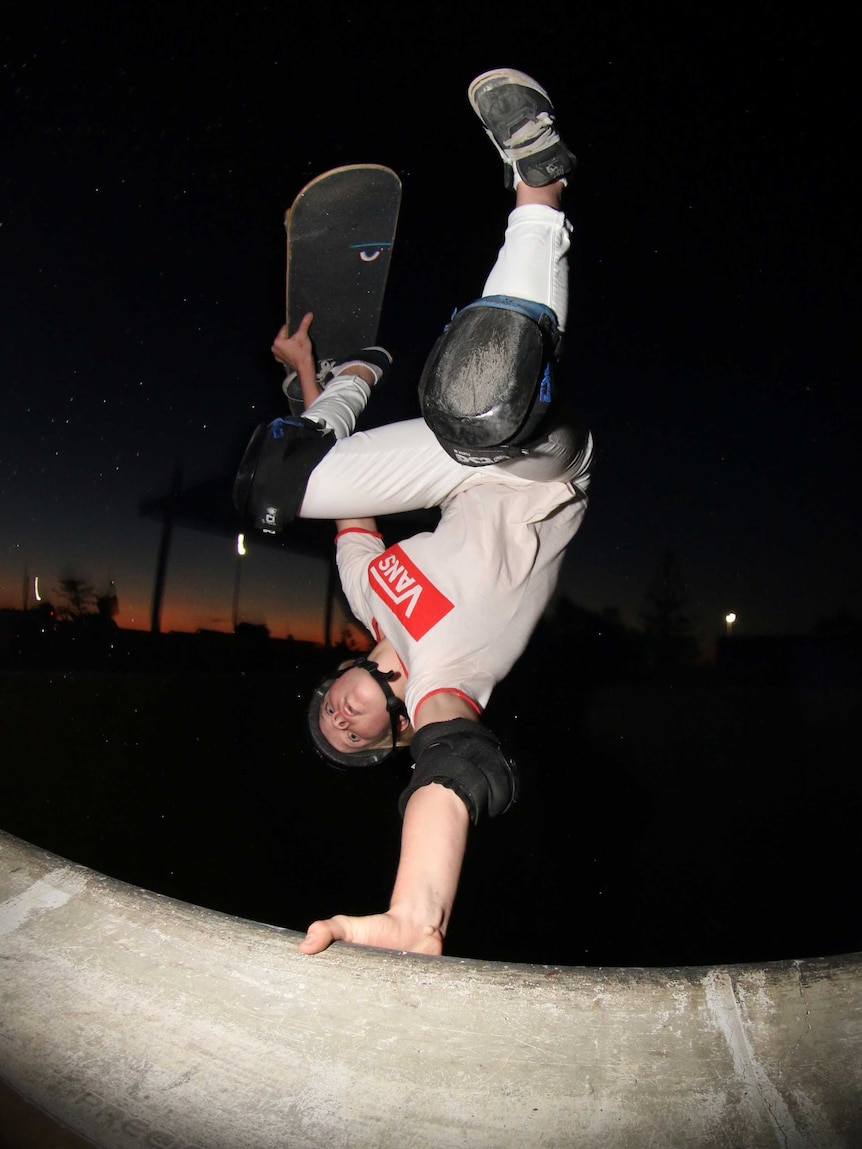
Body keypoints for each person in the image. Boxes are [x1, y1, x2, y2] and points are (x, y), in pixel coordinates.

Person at [235, 68, 593, 956]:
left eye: (326, 716)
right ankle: (539, 182)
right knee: (478, 401)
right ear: (392, 735)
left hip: (454, 471)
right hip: (542, 469)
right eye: (352, 739)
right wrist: (415, 913)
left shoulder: (366, 594)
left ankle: (358, 369)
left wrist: (314, 375)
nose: (340, 720)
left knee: (274, 491)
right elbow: (458, 764)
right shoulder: (446, 687)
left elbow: (342, 496)